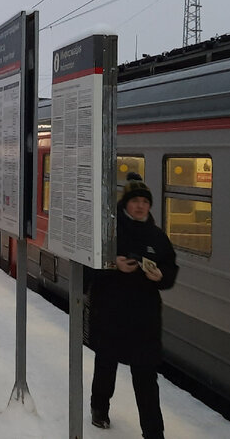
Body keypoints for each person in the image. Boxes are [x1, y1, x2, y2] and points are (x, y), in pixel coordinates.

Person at [88, 173, 178, 439]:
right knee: (106, 363)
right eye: (134, 201)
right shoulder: (109, 232)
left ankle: (153, 432)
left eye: (144, 201)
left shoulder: (158, 237)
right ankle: (99, 408)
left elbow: (171, 268)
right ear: (125, 204)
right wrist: (112, 265)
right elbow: (88, 267)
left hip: (144, 318)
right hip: (111, 311)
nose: (140, 206)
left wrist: (161, 275)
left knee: (146, 376)